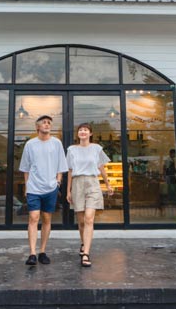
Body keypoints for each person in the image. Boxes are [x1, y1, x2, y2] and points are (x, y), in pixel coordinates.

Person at [18, 114, 68, 266]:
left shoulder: (56, 143)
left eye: (49, 122)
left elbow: (61, 164)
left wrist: (58, 182)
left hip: (51, 187)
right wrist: (27, 186)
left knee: (46, 219)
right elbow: (26, 168)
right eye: (44, 122)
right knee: (33, 217)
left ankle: (42, 251)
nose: (47, 124)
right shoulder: (30, 144)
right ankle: (32, 253)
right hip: (34, 187)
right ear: (37, 127)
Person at [66, 123, 111, 267]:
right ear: (77, 133)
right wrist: (68, 191)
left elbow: (101, 168)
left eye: (85, 130)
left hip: (92, 183)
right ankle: (83, 242)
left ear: (90, 133)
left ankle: (86, 253)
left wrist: (108, 184)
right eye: (80, 130)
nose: (83, 132)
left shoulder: (96, 148)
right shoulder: (71, 150)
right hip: (77, 184)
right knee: (81, 222)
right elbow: (70, 171)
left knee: (89, 218)